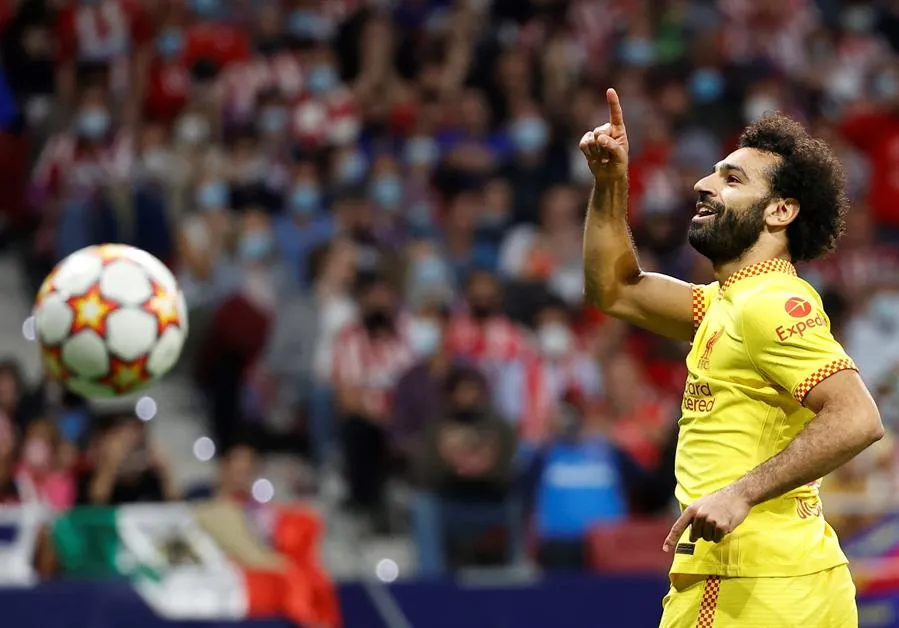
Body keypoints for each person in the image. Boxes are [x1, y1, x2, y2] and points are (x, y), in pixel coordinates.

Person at [580, 88, 883, 626]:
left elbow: (858, 417)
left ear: (781, 211)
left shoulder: (767, 305)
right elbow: (616, 288)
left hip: (747, 584)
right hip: (787, 581)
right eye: (715, 172)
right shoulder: (726, 302)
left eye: (732, 179)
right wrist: (610, 183)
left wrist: (740, 494)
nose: (703, 183)